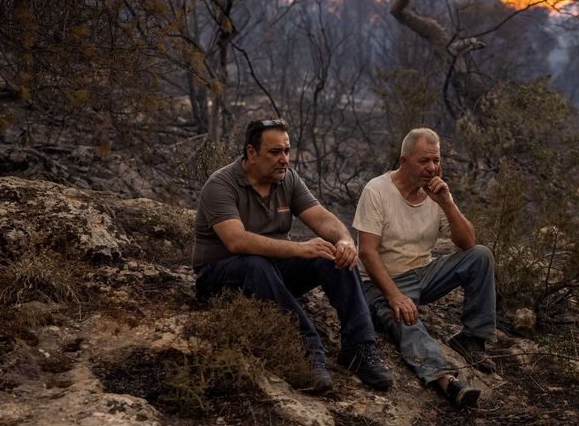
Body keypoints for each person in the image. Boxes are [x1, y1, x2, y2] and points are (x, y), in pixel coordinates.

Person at [192, 116, 393, 394]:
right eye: (275, 152)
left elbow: (322, 219)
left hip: (271, 274)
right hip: (220, 278)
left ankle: (359, 348)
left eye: (287, 150)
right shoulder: (221, 185)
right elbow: (236, 241)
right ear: (252, 152)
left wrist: (345, 240)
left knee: (330, 254)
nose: (284, 159)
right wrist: (299, 248)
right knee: (255, 263)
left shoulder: (286, 179)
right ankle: (307, 354)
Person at [353, 127, 497, 409]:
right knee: (407, 321)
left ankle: (472, 339)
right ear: (404, 161)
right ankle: (447, 380)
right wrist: (394, 295)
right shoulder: (377, 191)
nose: (432, 168)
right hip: (381, 282)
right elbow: (367, 252)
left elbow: (467, 242)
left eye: (436, 160)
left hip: (423, 274)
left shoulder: (436, 192)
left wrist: (446, 202)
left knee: (481, 256)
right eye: (424, 161)